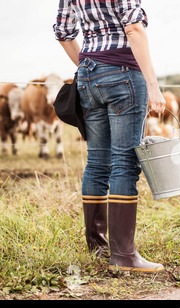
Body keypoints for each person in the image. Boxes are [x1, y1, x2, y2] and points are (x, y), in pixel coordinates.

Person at [53, 0, 166, 273]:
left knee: (97, 162)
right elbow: (133, 29)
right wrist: (153, 85)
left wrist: (90, 66)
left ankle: (98, 249)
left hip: (88, 76)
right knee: (125, 162)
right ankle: (124, 255)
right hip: (123, 73)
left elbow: (63, 33)